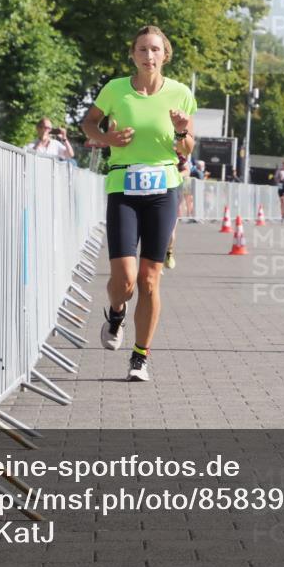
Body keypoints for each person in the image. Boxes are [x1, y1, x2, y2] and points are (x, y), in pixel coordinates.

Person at [80, 25, 196, 382]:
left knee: (149, 279)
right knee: (125, 280)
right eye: (143, 50)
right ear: (133, 54)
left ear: (165, 55)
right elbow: (88, 124)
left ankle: (141, 357)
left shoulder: (180, 93)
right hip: (124, 187)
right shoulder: (116, 90)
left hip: (163, 189)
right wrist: (106, 138)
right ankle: (116, 312)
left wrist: (180, 131)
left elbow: (187, 149)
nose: (149, 56)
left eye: (155, 50)